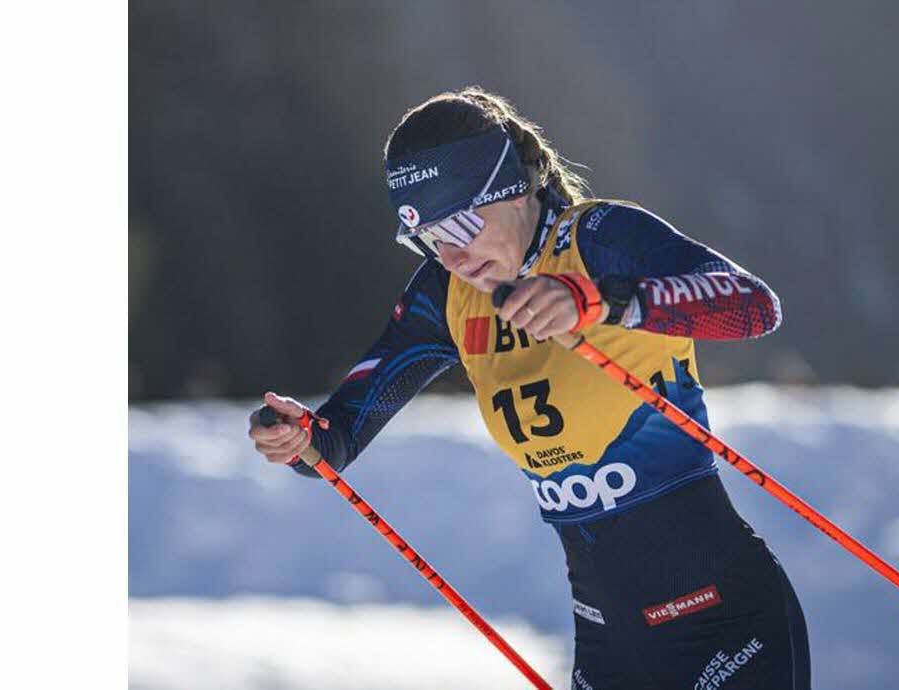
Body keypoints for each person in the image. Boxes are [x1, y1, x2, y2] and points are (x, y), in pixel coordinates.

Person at [248, 86, 810, 689]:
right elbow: (338, 437)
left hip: (725, 624)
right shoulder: (446, 295)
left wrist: (604, 301)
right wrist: (300, 437)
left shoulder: (598, 238)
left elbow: (752, 306)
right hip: (609, 646)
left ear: (514, 187)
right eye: (429, 238)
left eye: (463, 223)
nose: (453, 254)